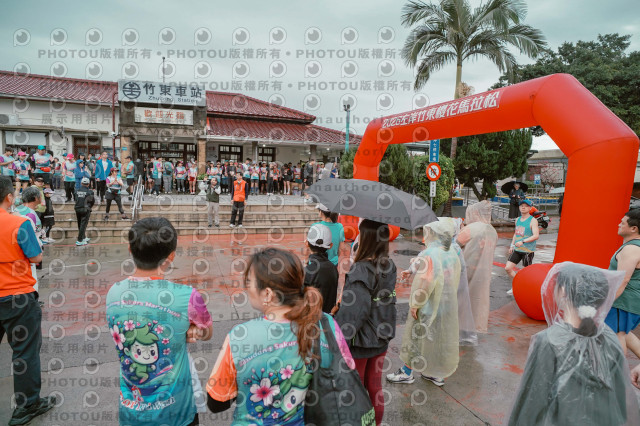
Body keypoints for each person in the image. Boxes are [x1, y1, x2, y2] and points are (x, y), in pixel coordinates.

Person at [206, 247, 354, 423]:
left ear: (268, 294)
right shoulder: (327, 324)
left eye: (249, 281)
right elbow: (346, 371)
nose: (246, 287)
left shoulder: (239, 337)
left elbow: (217, 403)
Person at [106, 217, 213, 426]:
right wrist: (192, 329)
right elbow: (208, 332)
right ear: (171, 256)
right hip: (177, 413)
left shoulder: (114, 293)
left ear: (130, 249)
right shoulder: (187, 297)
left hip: (131, 412)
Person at [507, 262, 640, 425]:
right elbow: (620, 397)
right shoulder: (609, 338)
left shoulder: (549, 341)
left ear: (563, 291)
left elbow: (531, 399)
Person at [0, 177, 56, 425]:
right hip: (17, 297)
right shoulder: (19, 223)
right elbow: (35, 257)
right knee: (24, 352)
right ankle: (27, 405)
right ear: (9, 197)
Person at [334, 220, 396, 424]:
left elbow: (355, 313)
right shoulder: (389, 265)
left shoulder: (361, 270)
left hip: (360, 341)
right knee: (375, 386)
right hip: (382, 335)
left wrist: (339, 337)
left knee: (356, 388)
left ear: (366, 238)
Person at [387, 219, 461, 387]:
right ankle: (434, 372)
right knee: (436, 337)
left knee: (416, 336)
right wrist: (412, 268)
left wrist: (415, 304)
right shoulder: (451, 252)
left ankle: (406, 372)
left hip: (428, 304)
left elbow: (425, 282)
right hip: (445, 304)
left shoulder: (431, 253)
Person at [457, 200, 498, 333]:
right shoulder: (492, 231)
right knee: (479, 299)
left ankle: (460, 325)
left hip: (466, 269)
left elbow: (454, 245)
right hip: (484, 271)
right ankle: (476, 326)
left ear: (474, 212)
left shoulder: (470, 229)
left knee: (461, 298)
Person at [604, 209, 640, 359]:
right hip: (629, 302)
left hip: (623, 302)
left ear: (633, 228)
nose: (619, 224)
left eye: (622, 222)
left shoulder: (631, 249)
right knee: (624, 333)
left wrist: (607, 301)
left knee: (616, 335)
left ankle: (616, 370)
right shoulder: (634, 246)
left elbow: (623, 280)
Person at [505, 199, 539, 295]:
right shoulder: (517, 220)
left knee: (525, 273)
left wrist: (523, 241)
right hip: (517, 249)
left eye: (526, 206)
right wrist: (512, 245)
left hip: (528, 250)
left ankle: (525, 289)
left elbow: (536, 235)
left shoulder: (533, 221)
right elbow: (516, 234)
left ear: (530, 208)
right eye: (521, 206)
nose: (523, 207)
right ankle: (516, 285)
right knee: (508, 268)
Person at [303, 224, 339, 313]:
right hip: (328, 317)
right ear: (330, 245)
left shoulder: (306, 271)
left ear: (307, 243)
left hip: (311, 318)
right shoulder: (333, 268)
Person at [74, 177, 94, 246]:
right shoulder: (90, 192)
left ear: (81, 183)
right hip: (85, 209)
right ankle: (80, 240)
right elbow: (92, 201)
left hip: (77, 208)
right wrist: (89, 207)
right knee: (83, 224)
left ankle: (83, 237)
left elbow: (75, 199)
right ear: (88, 184)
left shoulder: (76, 190)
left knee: (80, 223)